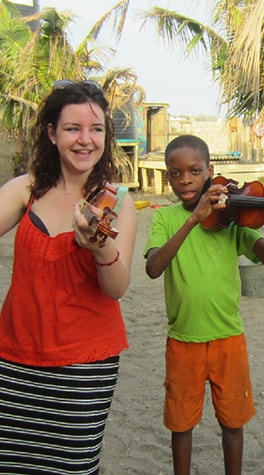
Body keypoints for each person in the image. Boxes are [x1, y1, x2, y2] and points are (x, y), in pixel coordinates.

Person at [0, 80, 137, 474]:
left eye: (96, 130)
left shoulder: (115, 202)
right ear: (52, 133)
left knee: (70, 467)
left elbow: (117, 288)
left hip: (82, 369)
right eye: (73, 128)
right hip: (13, 359)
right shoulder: (27, 189)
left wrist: (99, 246)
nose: (85, 140)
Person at [144, 134, 264, 475]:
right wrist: (193, 219)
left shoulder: (231, 221)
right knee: (181, 425)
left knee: (233, 424)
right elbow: (154, 268)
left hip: (228, 338)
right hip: (183, 339)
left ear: (210, 171)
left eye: (195, 171)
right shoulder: (167, 219)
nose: (185, 180)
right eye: (175, 173)